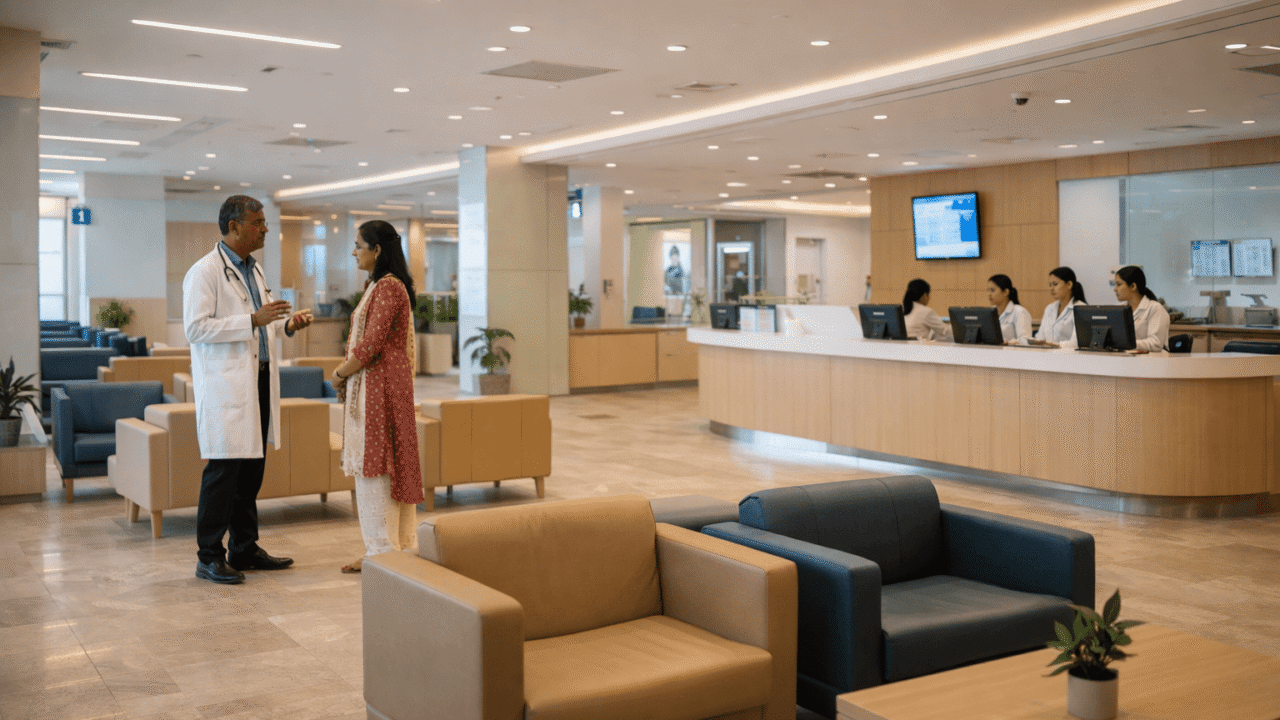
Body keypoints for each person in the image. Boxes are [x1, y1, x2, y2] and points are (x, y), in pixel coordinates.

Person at [184, 195, 314, 585]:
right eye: (258, 222)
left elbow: (264, 324)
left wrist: (286, 326)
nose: (265, 229)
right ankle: (209, 555)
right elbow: (195, 328)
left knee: (251, 473)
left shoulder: (255, 271)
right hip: (227, 387)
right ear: (235, 225)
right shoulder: (205, 272)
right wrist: (251, 320)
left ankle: (244, 547)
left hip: (257, 381)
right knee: (224, 472)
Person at [332, 220, 424, 573]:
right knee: (388, 468)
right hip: (384, 387)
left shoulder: (387, 289)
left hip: (381, 390)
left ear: (377, 250)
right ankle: (390, 551)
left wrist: (340, 374)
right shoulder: (381, 285)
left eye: (358, 245)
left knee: (378, 471)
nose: (354, 252)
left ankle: (385, 554)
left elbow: (370, 345)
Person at [1113, 265, 1170, 351]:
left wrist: (1127, 344)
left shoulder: (1155, 308)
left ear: (1133, 286)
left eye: (1119, 284)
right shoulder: (1119, 309)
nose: (1115, 289)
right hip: (1126, 359)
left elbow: (1156, 344)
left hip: (1153, 361)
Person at [1030, 267, 1086, 349]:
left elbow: (1077, 343)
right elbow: (1040, 337)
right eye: (1050, 285)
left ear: (1069, 284)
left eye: (1055, 284)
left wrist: (1056, 345)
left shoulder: (1081, 308)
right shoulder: (1049, 308)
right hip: (1047, 356)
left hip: (1069, 357)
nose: (1051, 288)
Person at [988, 274, 1032, 344]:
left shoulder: (1020, 312)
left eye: (992, 290)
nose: (989, 294)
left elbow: (1025, 342)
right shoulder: (989, 312)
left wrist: (1008, 343)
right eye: (988, 290)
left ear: (1005, 292)